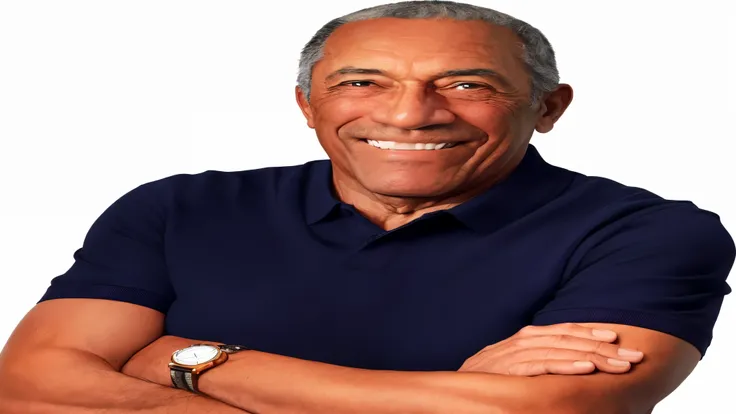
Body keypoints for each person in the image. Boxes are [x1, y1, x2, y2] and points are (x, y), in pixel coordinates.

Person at [0, 1, 733, 413]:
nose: (411, 116)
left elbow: (539, 411)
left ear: (548, 107)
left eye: (468, 84)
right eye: (361, 83)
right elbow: (29, 384)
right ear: (306, 105)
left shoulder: (649, 233)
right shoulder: (180, 207)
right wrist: (446, 392)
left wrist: (190, 362)